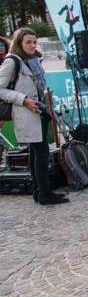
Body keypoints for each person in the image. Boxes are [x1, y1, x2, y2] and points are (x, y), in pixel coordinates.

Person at [0, 28, 69, 205]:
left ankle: (39, 192)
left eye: (34, 42)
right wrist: (24, 100)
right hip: (25, 110)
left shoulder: (31, 60)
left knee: (36, 151)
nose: (32, 45)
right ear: (19, 43)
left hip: (36, 109)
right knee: (41, 150)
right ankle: (44, 192)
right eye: (28, 42)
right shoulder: (12, 61)